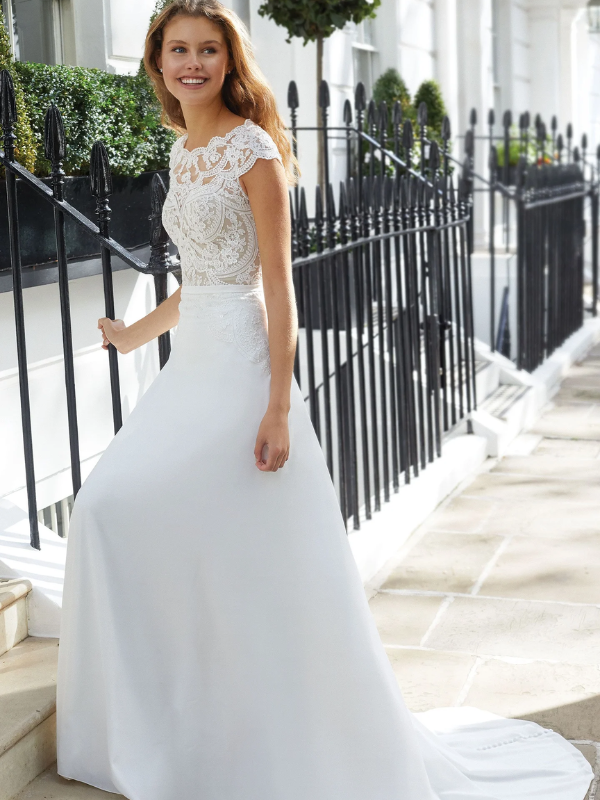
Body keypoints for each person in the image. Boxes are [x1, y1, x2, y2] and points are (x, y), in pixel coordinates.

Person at [56, 2, 593, 798]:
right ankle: (173, 726)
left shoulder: (251, 148)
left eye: (209, 49)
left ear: (231, 63)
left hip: (239, 379)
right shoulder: (183, 149)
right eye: (179, 50)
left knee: (149, 524)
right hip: (187, 374)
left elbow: (276, 288)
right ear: (157, 61)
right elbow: (199, 280)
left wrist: (278, 405)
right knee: (112, 515)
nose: (193, 62)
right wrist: (132, 337)